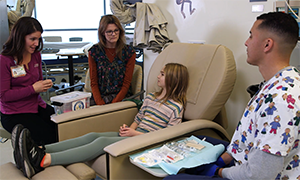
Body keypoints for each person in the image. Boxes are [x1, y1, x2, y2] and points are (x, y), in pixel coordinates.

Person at [164, 12, 300, 180]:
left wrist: (217, 172)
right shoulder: (278, 81)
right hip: (249, 158)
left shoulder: (281, 101)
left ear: (267, 45)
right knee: (194, 142)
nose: (246, 42)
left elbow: (258, 175)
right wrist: (223, 159)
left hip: (257, 175)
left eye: (251, 36)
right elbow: (248, 136)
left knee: (171, 179)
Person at [13, 63, 189, 178]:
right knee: (91, 136)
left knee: (102, 142)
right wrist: (130, 128)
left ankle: (43, 160)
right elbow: (139, 117)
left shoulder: (175, 107)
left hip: (146, 142)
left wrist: (135, 133)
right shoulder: (151, 97)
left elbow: (168, 137)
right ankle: (40, 149)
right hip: (134, 134)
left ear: (173, 80)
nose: (158, 76)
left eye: (163, 74)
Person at [0, 17, 57, 147]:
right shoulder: (4, 60)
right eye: (32, 39)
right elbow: (3, 96)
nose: (36, 43)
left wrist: (43, 85)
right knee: (49, 137)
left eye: (38, 39)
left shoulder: (35, 55)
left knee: (63, 126)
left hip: (36, 106)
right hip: (14, 113)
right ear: (20, 37)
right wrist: (33, 89)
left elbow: (38, 82)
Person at [88, 14, 136, 105]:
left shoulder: (129, 52)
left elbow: (126, 83)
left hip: (121, 97)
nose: (113, 34)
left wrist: (114, 104)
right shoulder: (94, 52)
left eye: (116, 30)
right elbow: (93, 83)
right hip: (100, 97)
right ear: (103, 33)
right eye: (109, 31)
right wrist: (100, 104)